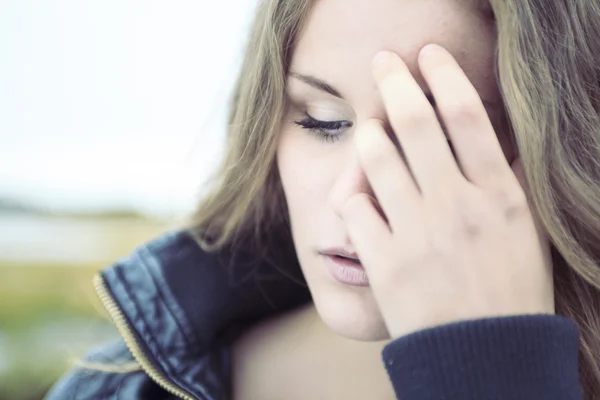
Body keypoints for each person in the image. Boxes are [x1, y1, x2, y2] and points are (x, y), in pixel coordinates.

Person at [45, 0, 600, 398]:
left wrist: (493, 373)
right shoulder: (116, 385)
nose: (352, 196)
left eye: (436, 137)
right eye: (323, 122)